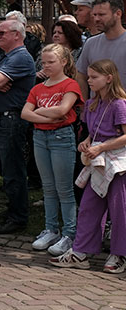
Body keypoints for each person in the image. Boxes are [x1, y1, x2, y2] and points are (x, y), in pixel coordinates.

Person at [51, 59, 126, 273]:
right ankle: (81, 251)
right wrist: (87, 142)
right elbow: (95, 132)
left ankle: (120, 254)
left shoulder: (119, 104)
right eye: (89, 76)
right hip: (98, 161)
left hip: (117, 163)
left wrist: (101, 147)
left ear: (109, 78)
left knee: (119, 209)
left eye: (94, 77)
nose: (89, 80)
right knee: (89, 206)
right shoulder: (93, 103)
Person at [0, 19, 36, 234]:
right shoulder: (2, 57)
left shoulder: (20, 57)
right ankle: (13, 209)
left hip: (11, 119)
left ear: (17, 35)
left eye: (2, 33)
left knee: (13, 169)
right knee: (5, 168)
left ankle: (18, 217)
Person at [21, 44, 80, 257]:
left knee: (64, 188)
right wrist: (49, 116)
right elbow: (25, 113)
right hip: (40, 137)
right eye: (44, 62)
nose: (46, 66)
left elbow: (64, 109)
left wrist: (39, 112)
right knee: (48, 188)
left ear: (64, 62)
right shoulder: (38, 88)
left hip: (61, 137)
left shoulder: (70, 84)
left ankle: (70, 233)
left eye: (51, 62)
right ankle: (51, 229)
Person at [75, 0, 126, 101]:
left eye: (102, 14)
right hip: (98, 108)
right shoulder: (90, 43)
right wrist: (85, 105)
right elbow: (81, 76)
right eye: (94, 15)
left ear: (118, 14)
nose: (97, 19)